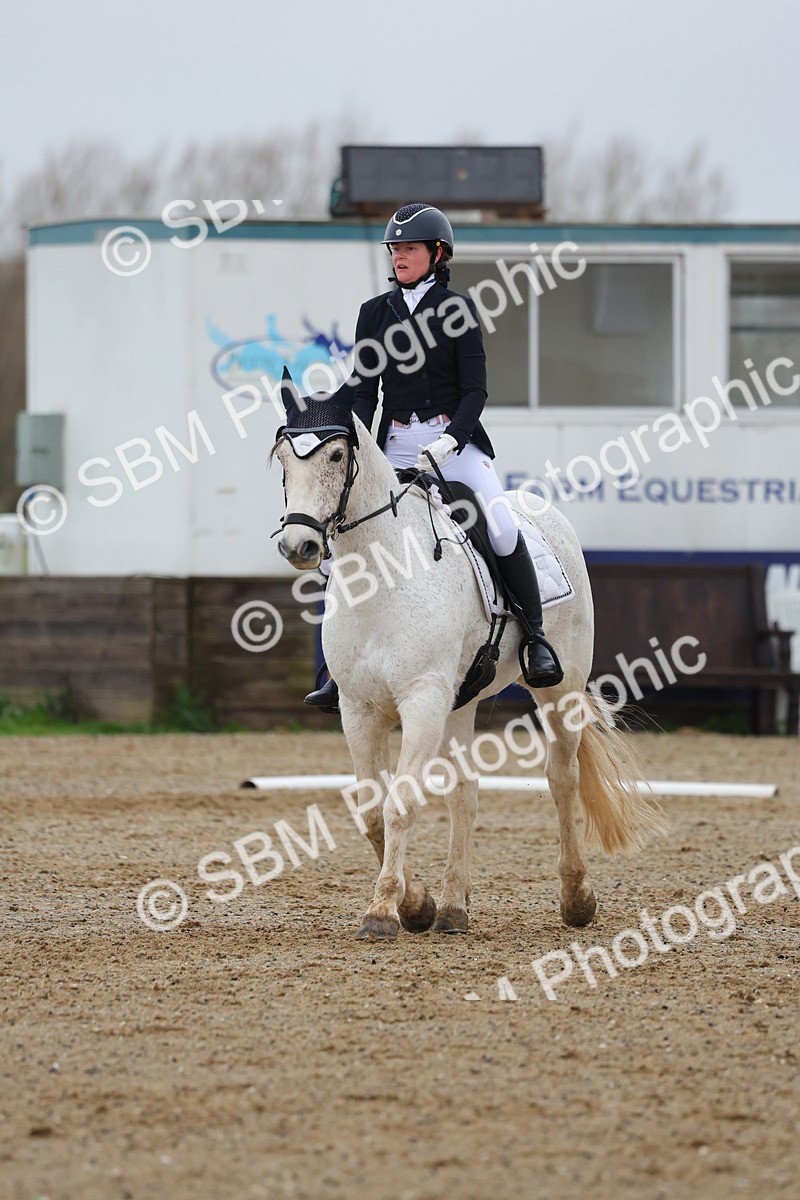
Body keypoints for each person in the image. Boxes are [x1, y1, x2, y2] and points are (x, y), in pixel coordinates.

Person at [305, 202, 562, 712]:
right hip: (393, 443)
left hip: (454, 443)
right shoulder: (374, 313)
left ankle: (534, 639)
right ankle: (338, 668)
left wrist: (453, 439)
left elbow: (475, 390)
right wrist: (360, 443)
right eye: (395, 249)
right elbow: (363, 389)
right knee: (344, 542)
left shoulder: (458, 310)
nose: (400, 257)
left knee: (503, 527)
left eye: (409, 249)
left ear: (437, 253)